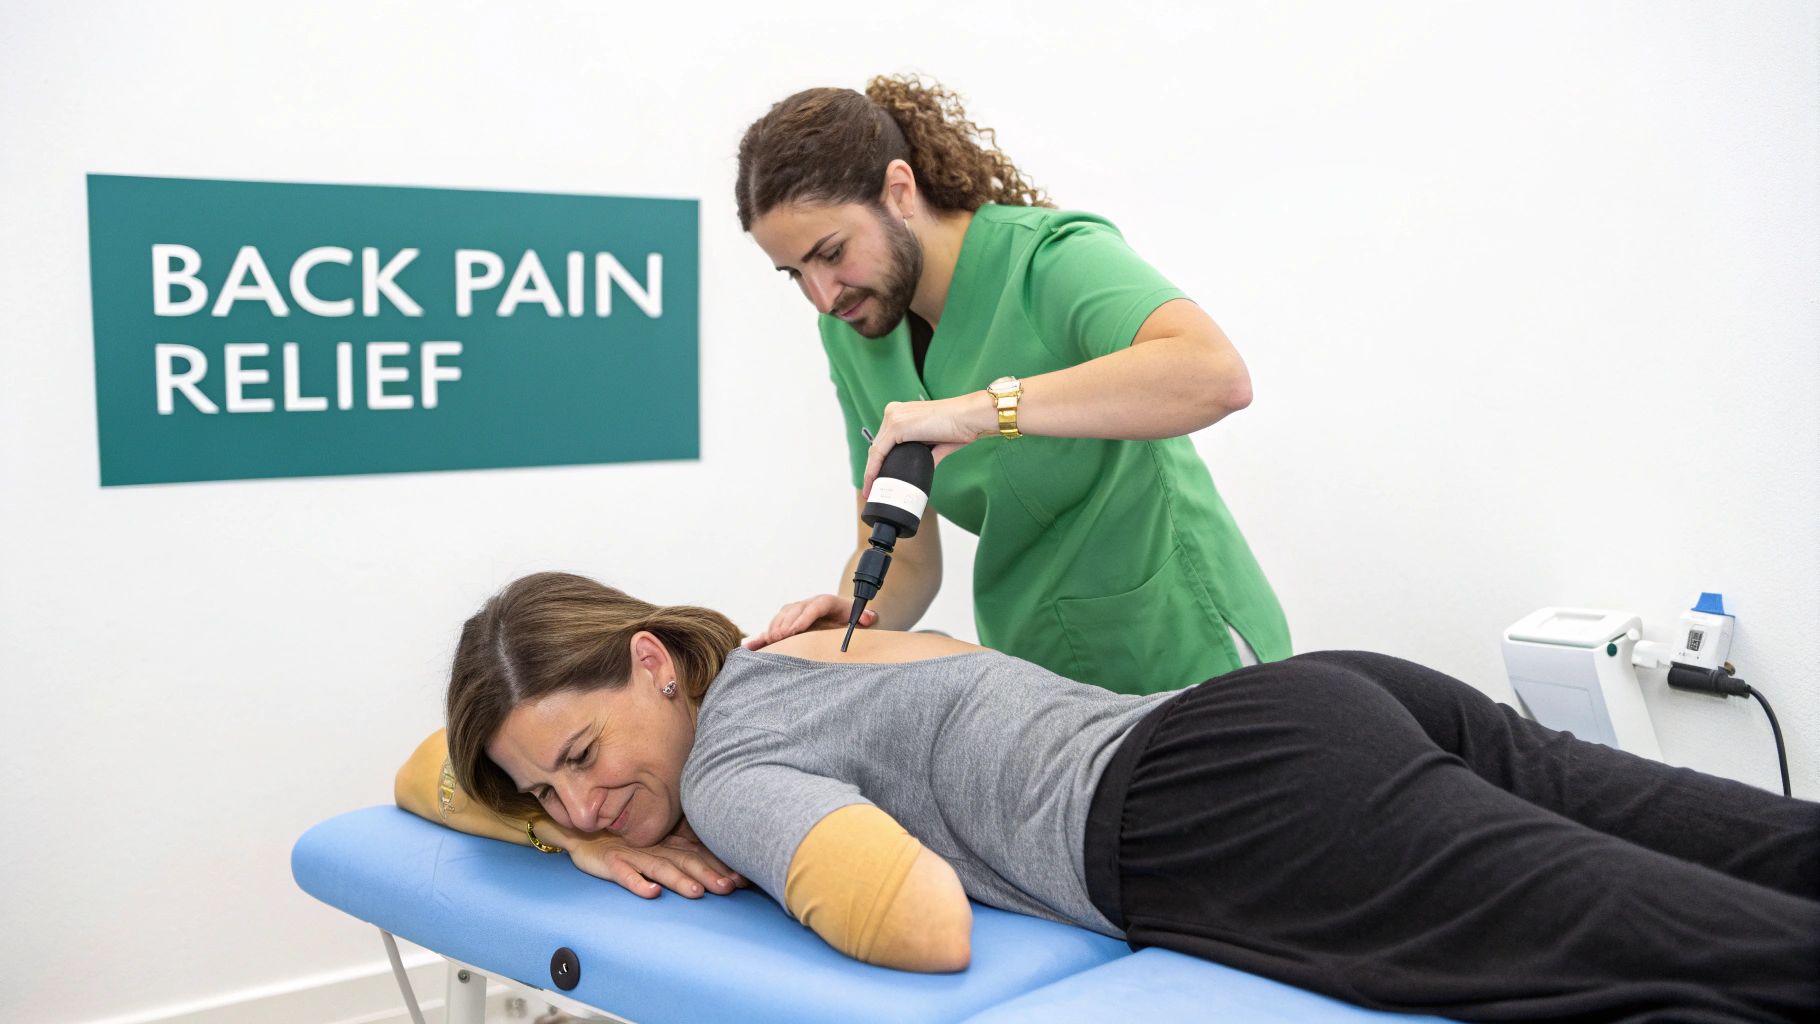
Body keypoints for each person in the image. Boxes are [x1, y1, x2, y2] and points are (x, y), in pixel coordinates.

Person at [396, 572, 1819, 1023]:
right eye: (542, 792)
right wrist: (564, 835)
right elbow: (429, 773)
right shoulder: (797, 646)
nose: (584, 803)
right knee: (1747, 849)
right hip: (1317, 700)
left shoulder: (729, 769)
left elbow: (924, 925)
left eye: (583, 754)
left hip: (1220, 807)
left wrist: (724, 831)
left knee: (1691, 953)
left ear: (652, 662)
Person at [733, 76, 1290, 694]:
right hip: (1038, 678)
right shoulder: (851, 334)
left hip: (1181, 645)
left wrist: (977, 412)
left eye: (832, 253)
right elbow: (906, 556)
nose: (822, 296)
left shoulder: (1048, 259)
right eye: (795, 274)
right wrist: (858, 615)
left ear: (899, 192)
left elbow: (1215, 374)